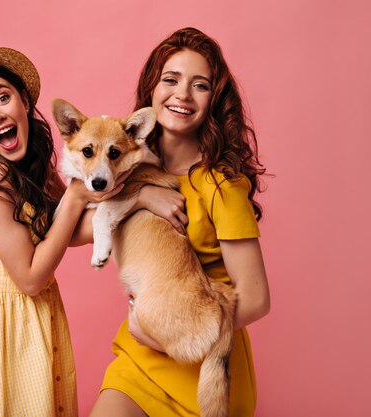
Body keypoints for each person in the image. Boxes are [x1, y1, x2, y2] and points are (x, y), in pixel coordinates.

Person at [0, 46, 126, 417]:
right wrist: (79, 193)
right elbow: (31, 278)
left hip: (36, 325)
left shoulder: (29, 162)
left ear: (23, 99)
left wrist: (139, 200)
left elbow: (72, 227)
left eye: (2, 97)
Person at [89, 28, 271, 417]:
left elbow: (255, 298)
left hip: (203, 369)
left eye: (200, 85)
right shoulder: (123, 164)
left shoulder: (222, 184)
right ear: (151, 89)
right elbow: (76, 232)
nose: (182, 95)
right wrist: (139, 195)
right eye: (170, 80)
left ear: (214, 99)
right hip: (138, 363)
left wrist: (164, 337)